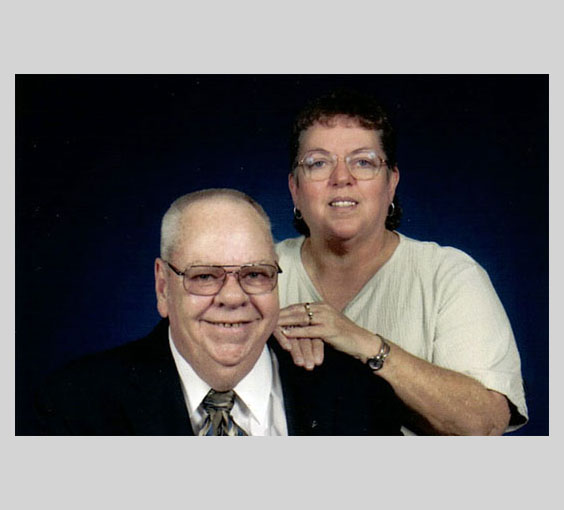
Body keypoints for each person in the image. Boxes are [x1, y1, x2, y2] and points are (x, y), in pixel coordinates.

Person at [33, 188, 402, 435]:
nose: (232, 297)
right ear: (163, 287)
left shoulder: (358, 400)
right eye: (205, 276)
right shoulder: (74, 405)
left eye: (255, 274)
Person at [274, 89, 528, 435]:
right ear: (295, 188)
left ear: (391, 183)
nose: (341, 178)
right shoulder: (257, 272)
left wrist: (363, 343)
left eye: (363, 161)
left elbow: (484, 424)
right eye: (318, 163)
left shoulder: (449, 276)